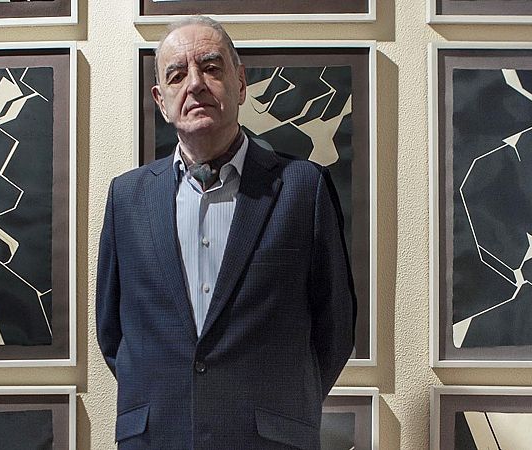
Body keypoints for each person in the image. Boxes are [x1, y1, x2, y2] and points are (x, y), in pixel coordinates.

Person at [96, 15, 356, 449]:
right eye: (176, 75)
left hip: (270, 441)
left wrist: (283, 408)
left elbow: (335, 328)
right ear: (161, 100)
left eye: (211, 68)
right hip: (157, 437)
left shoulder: (303, 188)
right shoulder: (127, 197)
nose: (195, 84)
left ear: (240, 84)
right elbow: (112, 333)